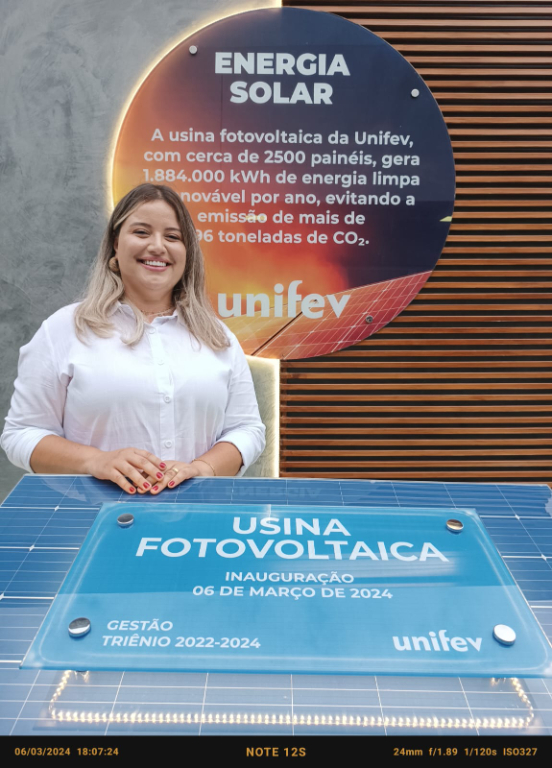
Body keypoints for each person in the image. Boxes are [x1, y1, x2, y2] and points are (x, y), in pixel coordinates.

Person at [1, 183, 266, 494]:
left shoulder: (218, 338)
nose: (157, 246)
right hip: (92, 525)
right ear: (116, 244)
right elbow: (21, 434)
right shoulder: (63, 330)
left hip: (196, 524)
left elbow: (247, 430)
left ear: (187, 253)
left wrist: (202, 468)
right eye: (141, 232)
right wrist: (95, 461)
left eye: (173, 237)